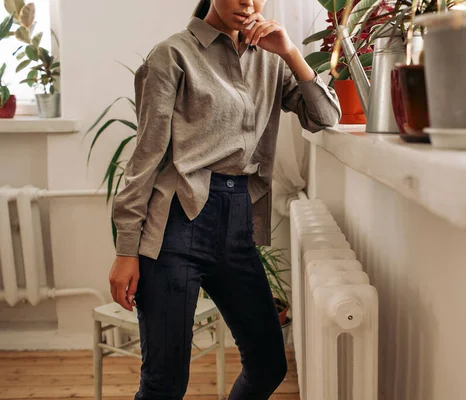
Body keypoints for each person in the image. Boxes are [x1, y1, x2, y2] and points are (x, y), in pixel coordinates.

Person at [107, 0, 341, 398]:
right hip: (177, 222)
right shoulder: (173, 55)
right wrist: (126, 249)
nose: (247, 2)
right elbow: (144, 158)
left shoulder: (270, 59)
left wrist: (290, 52)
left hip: (237, 223)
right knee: (164, 381)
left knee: (268, 363)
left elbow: (326, 117)